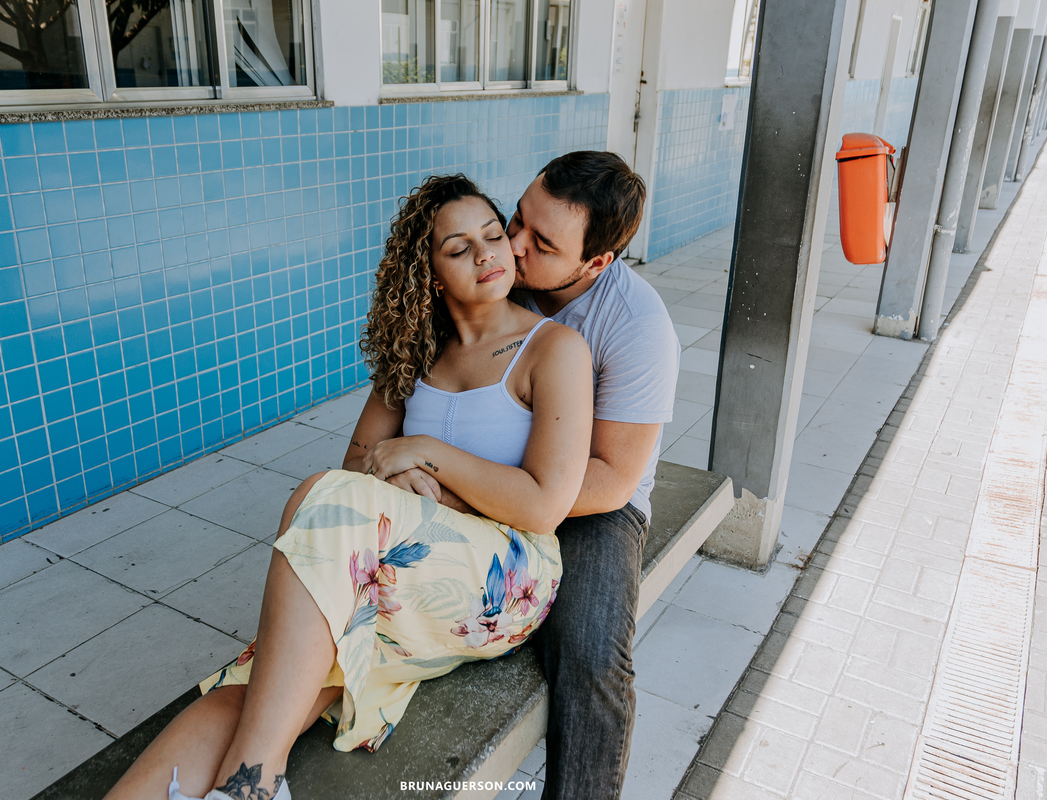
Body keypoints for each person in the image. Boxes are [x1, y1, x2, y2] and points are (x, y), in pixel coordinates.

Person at [102, 174, 595, 800]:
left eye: (494, 236)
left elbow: (544, 505)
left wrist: (426, 456)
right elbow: (359, 461)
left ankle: (255, 786)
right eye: (458, 248)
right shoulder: (416, 353)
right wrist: (397, 473)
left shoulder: (553, 349)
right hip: (399, 558)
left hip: (507, 576)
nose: (485, 254)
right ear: (430, 274)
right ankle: (241, 787)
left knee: (320, 500)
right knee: (264, 680)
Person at [509, 151, 680, 800]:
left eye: (543, 243)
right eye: (518, 219)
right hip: (493, 471)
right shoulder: (499, 268)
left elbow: (612, 478)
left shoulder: (637, 326)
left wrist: (494, 499)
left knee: (591, 654)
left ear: (595, 263)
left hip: (590, 502)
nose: (515, 246)